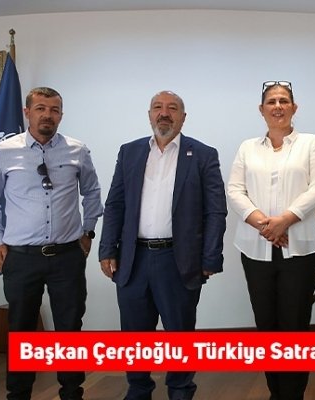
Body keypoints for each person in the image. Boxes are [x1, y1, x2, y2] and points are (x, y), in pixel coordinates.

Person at [99, 90, 227, 400]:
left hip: (178, 260)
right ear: (149, 115)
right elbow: (115, 204)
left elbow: (215, 210)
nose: (164, 113)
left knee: (180, 335)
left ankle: (180, 391)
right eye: (157, 107)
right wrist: (107, 249)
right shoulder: (129, 152)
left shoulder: (203, 154)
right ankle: (138, 390)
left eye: (172, 108)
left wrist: (210, 257)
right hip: (133, 259)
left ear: (183, 117)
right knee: (134, 336)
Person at [0, 86, 103, 400]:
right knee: (21, 330)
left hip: (67, 257)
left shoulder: (77, 150)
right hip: (21, 258)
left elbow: (92, 192)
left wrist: (87, 231)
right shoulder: (4, 151)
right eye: (40, 109)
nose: (48, 115)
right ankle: (18, 395)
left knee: (69, 329)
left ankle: (72, 393)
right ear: (27, 113)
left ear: (61, 115)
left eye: (54, 110)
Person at [227, 80, 315, 400]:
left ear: (294, 108)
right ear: (262, 110)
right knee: (266, 326)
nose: (278, 106)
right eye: (271, 102)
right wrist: (264, 224)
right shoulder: (247, 148)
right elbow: (235, 190)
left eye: (284, 101)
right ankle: (276, 392)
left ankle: (293, 394)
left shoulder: (310, 143)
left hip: (300, 252)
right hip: (255, 251)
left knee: (295, 326)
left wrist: (285, 219)